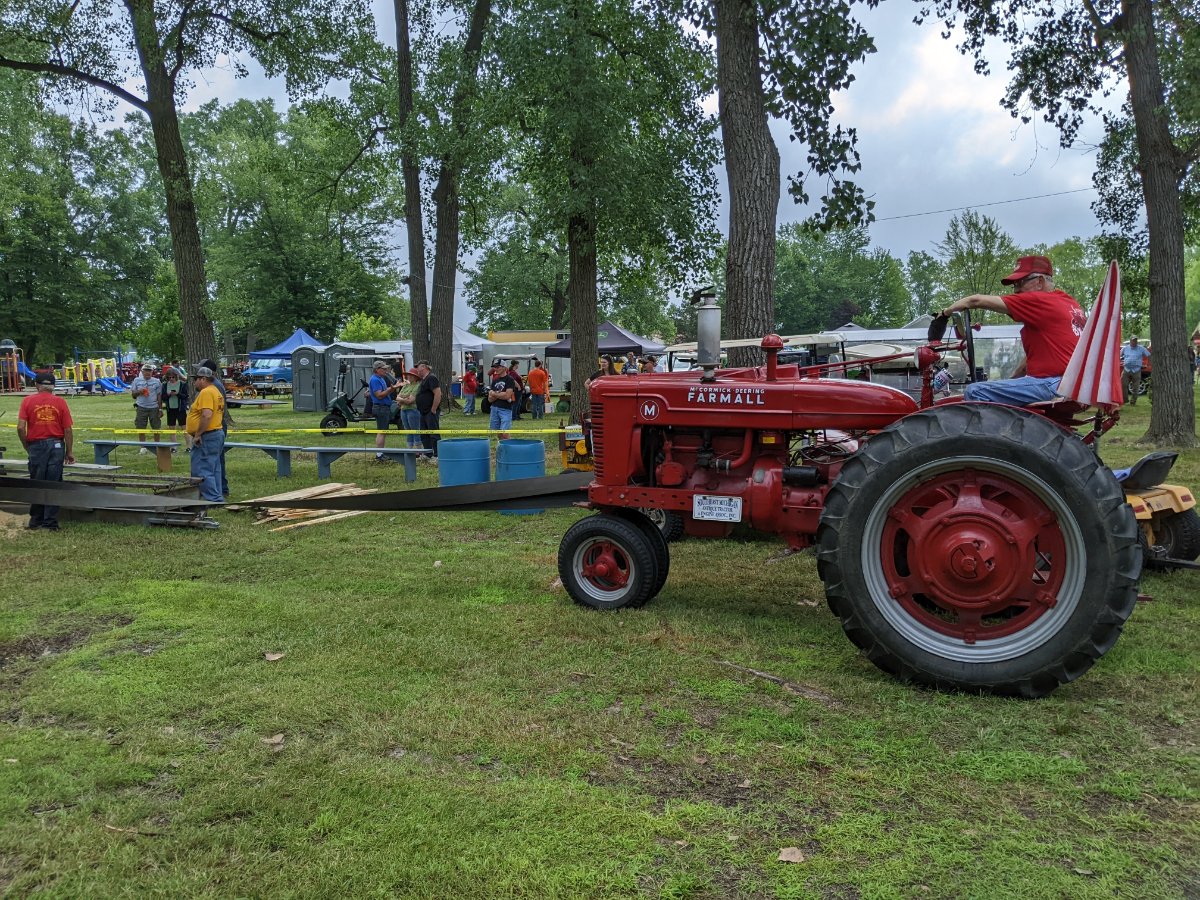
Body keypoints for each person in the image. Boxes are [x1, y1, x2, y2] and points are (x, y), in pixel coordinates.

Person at [940, 254, 1085, 406]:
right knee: (995, 389)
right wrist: (1011, 381)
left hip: (1054, 384)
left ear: (1040, 281)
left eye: (1020, 283)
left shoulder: (1040, 300)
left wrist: (944, 314)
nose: (1015, 290)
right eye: (1014, 285)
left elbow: (974, 300)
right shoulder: (1068, 302)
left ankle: (990, 431)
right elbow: (1031, 360)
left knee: (975, 391)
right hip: (1071, 383)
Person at [17, 372, 74, 530]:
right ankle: (50, 523)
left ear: (37, 385)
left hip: (36, 445)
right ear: (53, 386)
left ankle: (35, 521)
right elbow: (67, 430)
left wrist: (26, 445)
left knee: (36, 482)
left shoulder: (27, 401)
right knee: (53, 483)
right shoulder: (60, 402)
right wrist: (69, 452)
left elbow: (21, 427)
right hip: (56, 445)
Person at [186, 366, 226, 503]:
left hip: (207, 435)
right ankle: (216, 495)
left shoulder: (207, 392)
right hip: (216, 433)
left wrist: (197, 434)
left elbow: (207, 415)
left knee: (202, 468)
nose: (194, 382)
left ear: (203, 379)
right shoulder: (216, 391)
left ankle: (213, 499)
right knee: (214, 468)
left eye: (196, 379)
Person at [198, 358, 232, 496]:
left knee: (213, 461)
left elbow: (207, 414)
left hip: (213, 428)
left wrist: (199, 432)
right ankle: (220, 490)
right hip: (217, 426)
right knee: (217, 460)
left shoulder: (210, 389)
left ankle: (218, 490)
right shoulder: (216, 385)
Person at [368, 359, 399, 460]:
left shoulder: (380, 378)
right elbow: (379, 395)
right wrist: (392, 389)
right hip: (380, 408)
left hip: (383, 407)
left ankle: (381, 453)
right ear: (377, 369)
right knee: (382, 431)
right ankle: (379, 454)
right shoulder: (375, 380)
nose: (386, 371)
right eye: (383, 369)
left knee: (382, 431)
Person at [130, 363, 163, 453]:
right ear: (142, 371)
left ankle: (157, 445)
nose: (148, 373)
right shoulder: (136, 380)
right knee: (140, 426)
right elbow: (133, 395)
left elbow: (159, 396)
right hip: (141, 407)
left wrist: (160, 409)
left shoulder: (157, 381)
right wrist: (139, 391)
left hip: (154, 407)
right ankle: (143, 447)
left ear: (152, 372)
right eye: (146, 371)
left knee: (156, 427)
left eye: (149, 371)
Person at [415, 360, 442, 460]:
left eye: (418, 367)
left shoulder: (431, 378)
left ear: (424, 367)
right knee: (424, 433)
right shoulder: (423, 380)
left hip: (430, 411)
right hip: (423, 412)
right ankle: (427, 453)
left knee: (433, 433)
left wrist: (434, 409)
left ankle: (437, 455)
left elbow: (438, 393)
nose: (417, 369)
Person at [487, 362, 519, 439]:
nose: (496, 369)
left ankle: (508, 448)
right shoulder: (495, 380)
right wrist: (501, 394)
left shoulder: (509, 379)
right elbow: (489, 399)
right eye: (495, 367)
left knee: (505, 433)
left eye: (498, 367)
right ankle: (502, 447)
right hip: (494, 408)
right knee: (498, 432)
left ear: (504, 368)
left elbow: (507, 395)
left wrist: (495, 394)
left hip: (505, 409)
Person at [162, 367, 190, 450]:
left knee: (184, 428)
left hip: (180, 409)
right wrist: (169, 394)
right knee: (172, 429)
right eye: (169, 377)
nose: (171, 379)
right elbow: (163, 397)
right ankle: (173, 447)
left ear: (176, 376)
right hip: (170, 409)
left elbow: (185, 396)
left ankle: (189, 446)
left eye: (173, 377)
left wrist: (177, 394)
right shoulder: (165, 385)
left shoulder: (182, 384)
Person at [1119, 336, 1151, 405]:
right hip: (1126, 369)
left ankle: (1133, 401)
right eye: (1133, 341)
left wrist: (1148, 364)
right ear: (1130, 341)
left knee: (1136, 386)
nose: (1134, 342)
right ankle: (1125, 400)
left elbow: (1149, 355)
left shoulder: (1141, 348)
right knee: (1123, 384)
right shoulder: (1125, 348)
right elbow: (1118, 355)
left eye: (1135, 341)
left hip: (1136, 370)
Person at [396, 367, 423, 449]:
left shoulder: (418, 386)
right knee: (408, 431)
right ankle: (409, 450)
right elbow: (397, 398)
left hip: (413, 410)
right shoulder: (406, 385)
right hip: (403, 410)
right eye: (408, 375)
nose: (409, 377)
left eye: (412, 375)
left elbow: (410, 400)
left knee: (415, 430)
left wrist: (402, 399)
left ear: (416, 377)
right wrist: (405, 398)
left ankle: (419, 451)